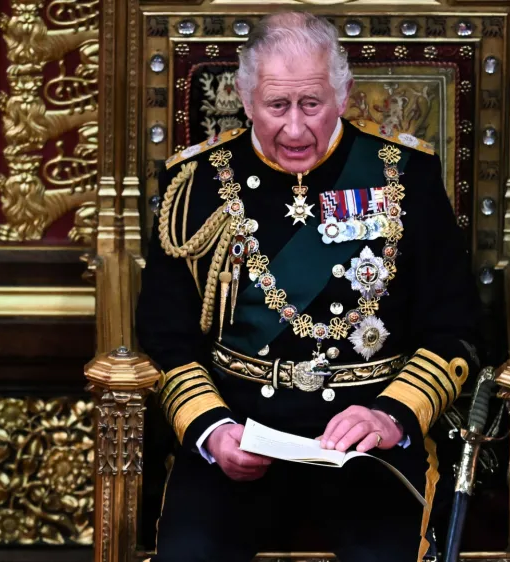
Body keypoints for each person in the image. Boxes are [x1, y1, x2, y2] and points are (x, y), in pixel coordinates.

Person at [135, 10, 482, 562]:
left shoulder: (404, 177)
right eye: (276, 106)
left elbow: (453, 328)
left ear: (342, 97)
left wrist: (390, 416)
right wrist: (210, 428)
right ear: (246, 101)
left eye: (311, 104)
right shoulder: (197, 185)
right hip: (239, 432)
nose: (295, 129)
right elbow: (164, 333)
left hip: (367, 448)